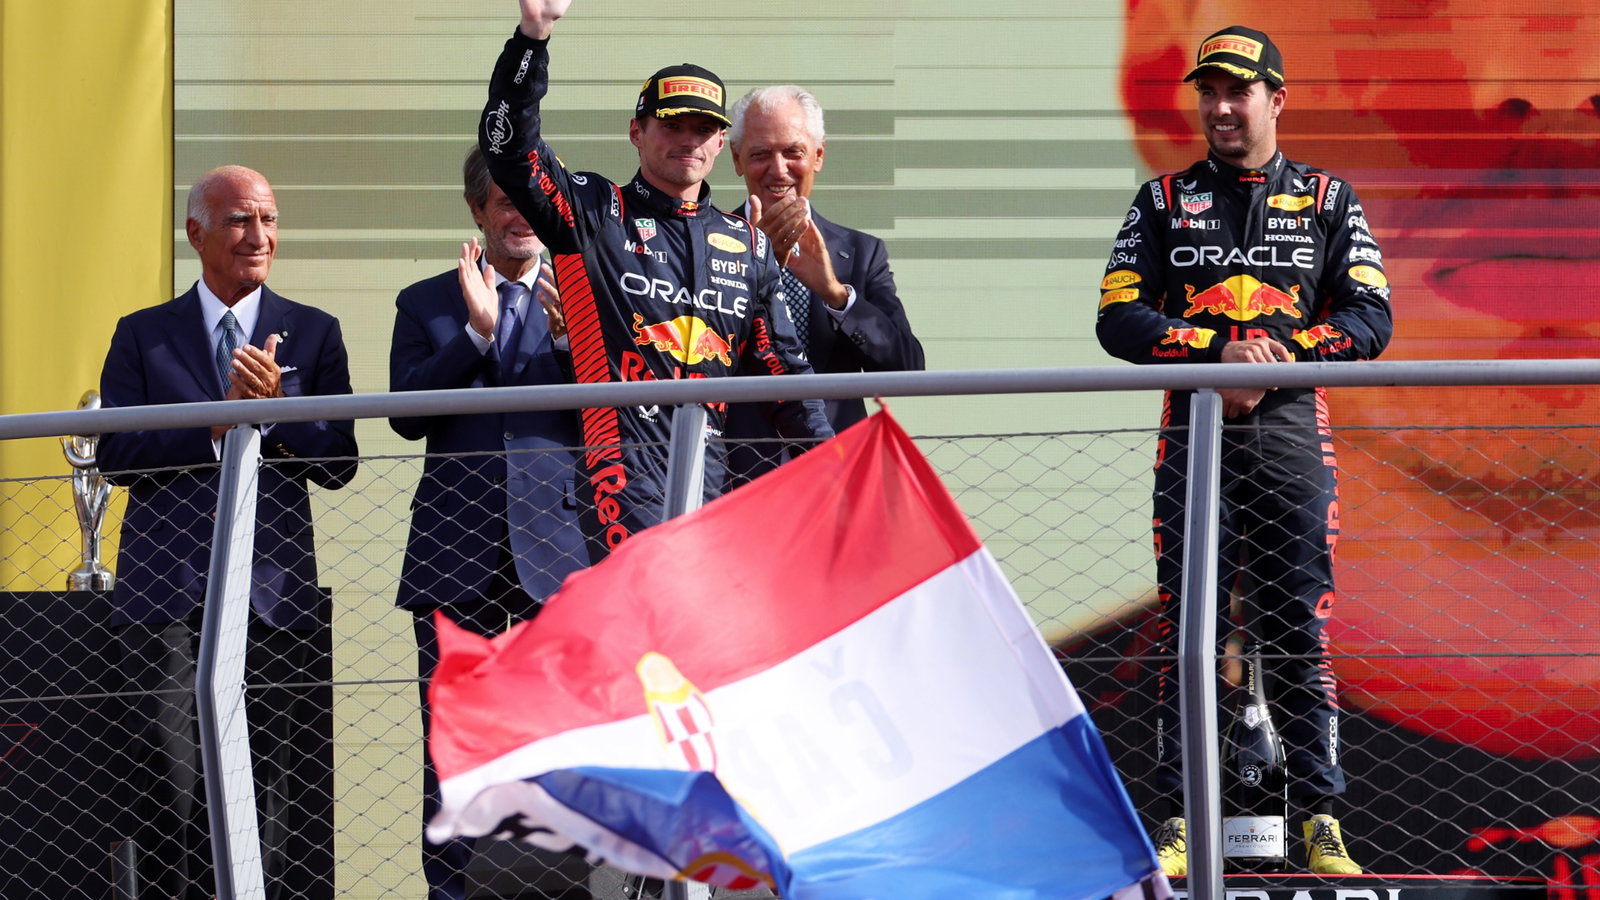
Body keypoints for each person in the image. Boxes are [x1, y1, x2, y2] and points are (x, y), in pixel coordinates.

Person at [1096, 26, 1392, 877]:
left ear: (1276, 99)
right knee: (1188, 626)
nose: (1221, 108)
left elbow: (1371, 320)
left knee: (1297, 624)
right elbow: (1119, 319)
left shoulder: (1331, 198)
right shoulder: (1161, 200)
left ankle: (1321, 819)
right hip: (1194, 431)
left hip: (1293, 433)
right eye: (1209, 93)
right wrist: (1213, 356)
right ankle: (1185, 819)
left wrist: (1273, 366)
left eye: (1238, 92)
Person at [477, 0, 833, 561]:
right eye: (672, 125)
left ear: (722, 145)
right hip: (616, 469)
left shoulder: (749, 244)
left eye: (703, 128)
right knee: (641, 627)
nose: (687, 139)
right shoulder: (593, 211)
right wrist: (532, 38)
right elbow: (508, 150)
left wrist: (837, 470)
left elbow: (786, 375)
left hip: (713, 478)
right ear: (637, 133)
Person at [97, 165, 358, 900]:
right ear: (196, 233)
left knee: (266, 788)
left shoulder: (313, 331)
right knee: (168, 778)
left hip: (271, 600)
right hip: (164, 597)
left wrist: (272, 413)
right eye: (242, 220)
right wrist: (215, 422)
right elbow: (114, 454)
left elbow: (339, 462)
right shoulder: (143, 336)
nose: (260, 236)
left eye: (269, 220)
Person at [388, 145, 589, 900]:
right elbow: (407, 417)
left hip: (559, 549)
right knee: (453, 743)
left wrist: (577, 344)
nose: (521, 217)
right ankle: (454, 892)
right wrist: (474, 335)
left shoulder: (586, 297)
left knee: (556, 737)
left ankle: (559, 891)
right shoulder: (425, 302)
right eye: (506, 202)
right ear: (478, 211)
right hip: (456, 547)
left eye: (534, 204)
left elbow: (624, 416)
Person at [722, 84, 925, 482]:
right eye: (761, 153)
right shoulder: (705, 244)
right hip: (734, 476)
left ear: (818, 156)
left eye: (793, 152)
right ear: (737, 160)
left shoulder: (861, 253)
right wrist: (753, 271)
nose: (778, 169)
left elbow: (907, 368)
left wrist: (836, 294)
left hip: (837, 472)